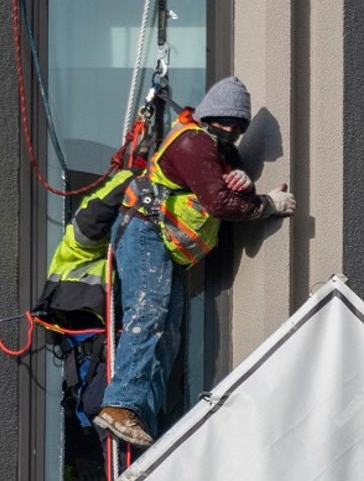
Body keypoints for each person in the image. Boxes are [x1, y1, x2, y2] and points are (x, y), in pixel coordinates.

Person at [92, 76, 296, 447]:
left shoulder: (216, 150)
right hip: (143, 233)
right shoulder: (193, 142)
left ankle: (142, 418)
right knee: (150, 313)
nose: (232, 132)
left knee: (168, 331)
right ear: (213, 118)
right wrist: (266, 204)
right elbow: (218, 203)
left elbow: (222, 188)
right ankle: (120, 404)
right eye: (228, 124)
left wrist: (243, 183)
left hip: (159, 241)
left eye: (238, 128)